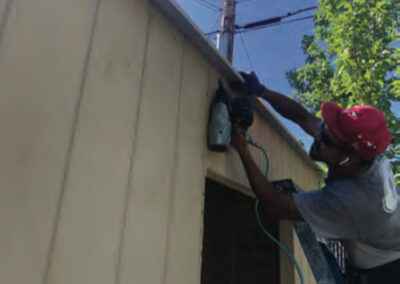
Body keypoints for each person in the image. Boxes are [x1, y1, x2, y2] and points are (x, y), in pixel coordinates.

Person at [230, 72, 400, 284]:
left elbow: (273, 205)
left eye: (326, 139)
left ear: (349, 157)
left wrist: (242, 148)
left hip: (385, 273)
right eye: (325, 130)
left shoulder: (351, 200)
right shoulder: (361, 155)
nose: (318, 137)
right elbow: (302, 117)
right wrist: (262, 91)